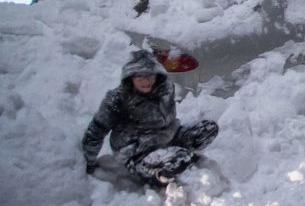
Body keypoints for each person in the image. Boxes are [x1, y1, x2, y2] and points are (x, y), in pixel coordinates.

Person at [82, 50, 219, 186]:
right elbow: (96, 131)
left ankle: (179, 157)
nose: (146, 81)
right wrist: (89, 163)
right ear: (130, 77)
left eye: (149, 76)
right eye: (139, 77)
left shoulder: (166, 89)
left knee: (208, 129)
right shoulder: (117, 99)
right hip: (138, 152)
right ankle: (162, 172)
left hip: (169, 137)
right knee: (177, 160)